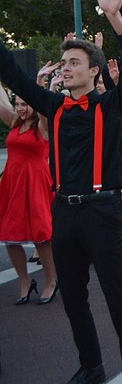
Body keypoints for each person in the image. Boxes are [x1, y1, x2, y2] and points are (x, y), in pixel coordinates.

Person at [0, 0, 122, 384]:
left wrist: (115, 18)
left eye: (73, 62)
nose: (65, 67)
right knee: (73, 294)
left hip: (104, 212)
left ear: (93, 70)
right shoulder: (54, 105)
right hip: (63, 212)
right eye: (63, 62)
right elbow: (11, 70)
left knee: (116, 296)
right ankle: (90, 365)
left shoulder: (112, 103)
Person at [0, 85, 57, 305]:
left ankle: (50, 281)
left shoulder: (42, 126)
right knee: (9, 235)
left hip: (35, 183)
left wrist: (42, 84)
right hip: (12, 184)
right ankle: (25, 281)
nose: (21, 109)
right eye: (18, 104)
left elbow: (43, 106)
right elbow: (2, 103)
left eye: (25, 104)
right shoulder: (15, 122)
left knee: (41, 235)